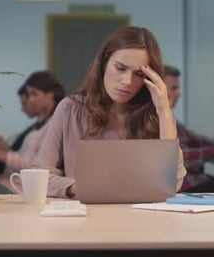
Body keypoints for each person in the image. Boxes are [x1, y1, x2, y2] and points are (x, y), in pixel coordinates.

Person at [32, 26, 187, 198]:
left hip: (141, 218)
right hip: (84, 218)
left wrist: (164, 112)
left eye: (138, 74)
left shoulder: (154, 116)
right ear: (104, 63)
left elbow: (172, 185)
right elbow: (40, 178)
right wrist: (82, 187)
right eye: (120, 68)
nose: (127, 82)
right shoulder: (70, 109)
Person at [0, 70, 65, 191]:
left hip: (18, 187)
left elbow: (33, 166)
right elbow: (26, 157)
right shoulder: (42, 123)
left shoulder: (53, 125)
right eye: (29, 94)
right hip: (11, 181)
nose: (30, 100)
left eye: (34, 94)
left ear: (50, 94)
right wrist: (3, 147)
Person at [163, 65, 214, 192]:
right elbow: (180, 159)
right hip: (186, 187)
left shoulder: (171, 120)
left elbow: (197, 139)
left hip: (196, 181)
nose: (178, 94)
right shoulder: (154, 120)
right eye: (174, 88)